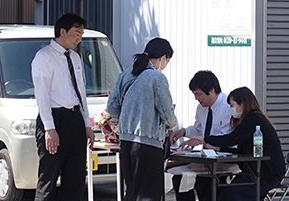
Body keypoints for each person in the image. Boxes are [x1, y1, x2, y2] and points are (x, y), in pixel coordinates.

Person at [31, 13, 94, 201]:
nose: (79, 38)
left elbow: (80, 92)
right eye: (76, 33)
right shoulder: (43, 57)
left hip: (75, 119)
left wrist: (86, 124)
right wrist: (49, 128)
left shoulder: (75, 58)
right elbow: (41, 95)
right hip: (54, 119)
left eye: (81, 34)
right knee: (48, 179)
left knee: (75, 180)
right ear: (62, 31)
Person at [106, 38, 177, 201]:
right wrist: (170, 123)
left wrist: (124, 122)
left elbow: (112, 108)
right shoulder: (157, 78)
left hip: (126, 141)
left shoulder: (126, 74)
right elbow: (168, 115)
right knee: (148, 194)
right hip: (149, 144)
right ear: (163, 58)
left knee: (132, 192)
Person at [203, 86, 286, 201]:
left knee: (230, 193)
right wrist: (219, 149)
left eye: (232, 105)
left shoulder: (253, 118)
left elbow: (231, 139)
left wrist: (205, 139)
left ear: (242, 103)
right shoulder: (253, 118)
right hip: (256, 171)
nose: (231, 109)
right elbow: (242, 150)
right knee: (224, 190)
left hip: (265, 173)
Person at [168, 70, 233, 201]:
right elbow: (198, 130)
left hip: (224, 159)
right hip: (206, 159)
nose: (196, 98)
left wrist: (202, 141)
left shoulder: (228, 106)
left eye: (198, 94)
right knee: (179, 177)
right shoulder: (201, 108)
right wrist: (183, 132)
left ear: (212, 90)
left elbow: (226, 138)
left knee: (207, 186)